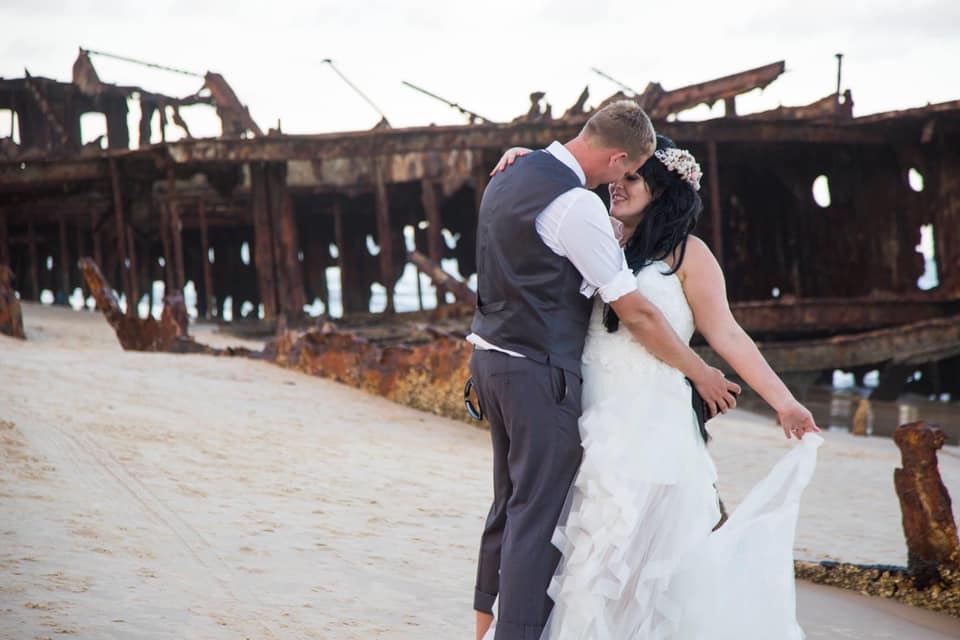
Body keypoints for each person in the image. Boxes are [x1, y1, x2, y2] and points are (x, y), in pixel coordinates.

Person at [490, 136, 822, 639]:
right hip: (589, 415)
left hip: (650, 426)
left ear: (662, 189)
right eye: (615, 178)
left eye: (631, 179)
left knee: (637, 565)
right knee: (581, 555)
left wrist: (784, 402)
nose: (615, 187)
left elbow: (727, 333)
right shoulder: (599, 237)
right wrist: (524, 157)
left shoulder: (690, 254)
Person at [467, 100, 742, 640]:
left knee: (508, 501)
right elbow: (634, 310)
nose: (620, 181)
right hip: (537, 372)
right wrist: (701, 373)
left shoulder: (508, 174)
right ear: (617, 157)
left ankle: (480, 626)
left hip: (489, 360)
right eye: (627, 169)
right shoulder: (578, 205)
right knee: (536, 517)